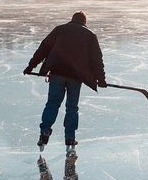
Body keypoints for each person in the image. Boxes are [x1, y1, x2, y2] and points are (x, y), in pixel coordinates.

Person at [23, 10, 106, 155]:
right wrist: (101, 79)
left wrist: (31, 66)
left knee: (52, 103)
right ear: (84, 22)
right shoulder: (90, 36)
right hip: (75, 77)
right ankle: (70, 138)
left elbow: (44, 48)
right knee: (72, 107)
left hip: (57, 73)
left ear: (72, 19)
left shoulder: (60, 30)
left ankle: (45, 131)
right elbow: (96, 59)